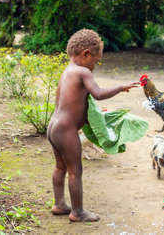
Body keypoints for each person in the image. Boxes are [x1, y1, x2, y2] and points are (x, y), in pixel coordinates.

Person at [47, 28, 138, 222]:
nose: (95, 66)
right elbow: (98, 93)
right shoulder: (83, 72)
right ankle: (77, 212)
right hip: (66, 130)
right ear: (86, 54)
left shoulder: (68, 71)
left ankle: (59, 204)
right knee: (75, 171)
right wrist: (120, 88)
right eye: (96, 60)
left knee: (60, 167)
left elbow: (71, 103)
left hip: (53, 127)